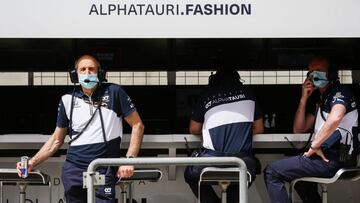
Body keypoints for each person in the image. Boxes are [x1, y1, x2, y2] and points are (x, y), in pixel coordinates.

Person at [16, 54, 144, 202]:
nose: (87, 73)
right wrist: (32, 162)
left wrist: (129, 161)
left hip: (103, 168)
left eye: (91, 69)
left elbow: (138, 125)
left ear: (100, 73)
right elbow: (56, 140)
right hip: (74, 170)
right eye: (83, 69)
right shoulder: (67, 99)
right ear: (75, 74)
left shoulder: (115, 92)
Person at [264, 56, 359, 203]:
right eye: (311, 71)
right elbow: (298, 129)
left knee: (272, 171)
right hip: (328, 158)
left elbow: (336, 117)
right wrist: (304, 98)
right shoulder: (322, 100)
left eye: (319, 70)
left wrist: (315, 145)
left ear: (331, 74)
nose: (314, 74)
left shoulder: (340, 92)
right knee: (298, 177)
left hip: (335, 158)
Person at [184, 68, 264, 203]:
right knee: (242, 175)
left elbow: (193, 129)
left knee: (190, 175)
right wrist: (239, 132)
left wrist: (211, 129)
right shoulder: (249, 93)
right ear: (238, 79)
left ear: (214, 80)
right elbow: (259, 128)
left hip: (211, 160)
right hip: (243, 162)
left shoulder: (207, 94)